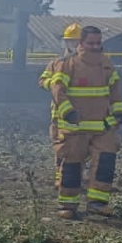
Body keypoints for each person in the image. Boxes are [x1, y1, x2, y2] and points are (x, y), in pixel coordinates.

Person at [45, 26, 122, 219]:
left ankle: (97, 204)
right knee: (71, 165)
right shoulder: (67, 64)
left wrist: (119, 112)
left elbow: (115, 89)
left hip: (102, 127)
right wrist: (67, 112)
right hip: (74, 128)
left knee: (105, 162)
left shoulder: (106, 64)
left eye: (98, 43)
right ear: (80, 43)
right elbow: (57, 89)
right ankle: (68, 206)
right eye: (91, 43)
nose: (95, 47)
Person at [38, 23, 82, 188]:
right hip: (59, 115)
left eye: (77, 41)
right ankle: (60, 178)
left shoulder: (88, 65)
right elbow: (42, 81)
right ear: (66, 43)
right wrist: (55, 83)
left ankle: (74, 178)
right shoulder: (56, 63)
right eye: (71, 41)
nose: (74, 45)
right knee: (61, 148)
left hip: (80, 114)